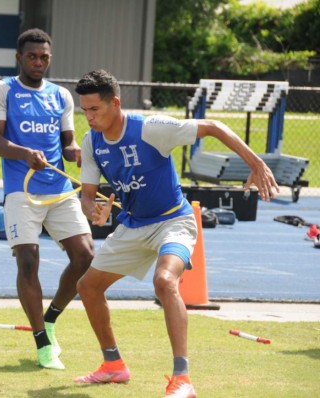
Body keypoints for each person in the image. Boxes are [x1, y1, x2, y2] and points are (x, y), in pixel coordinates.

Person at [73, 70, 279, 397]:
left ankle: (182, 379)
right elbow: (87, 195)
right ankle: (113, 365)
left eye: (94, 109)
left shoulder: (151, 128)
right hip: (132, 224)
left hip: (174, 220)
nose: (89, 118)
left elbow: (212, 126)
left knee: (165, 282)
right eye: (83, 110)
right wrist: (92, 211)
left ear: (115, 103)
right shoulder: (91, 142)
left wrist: (255, 162)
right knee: (87, 287)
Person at [0, 28, 94, 370]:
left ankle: (50, 318)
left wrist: (76, 151)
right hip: (21, 189)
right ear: (19, 58)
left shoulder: (61, 95)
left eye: (44, 56)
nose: (38, 62)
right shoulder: (1, 90)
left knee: (85, 256)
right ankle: (42, 342)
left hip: (59, 190)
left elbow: (67, 142)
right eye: (31, 56)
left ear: (50, 58)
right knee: (28, 262)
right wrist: (24, 153)